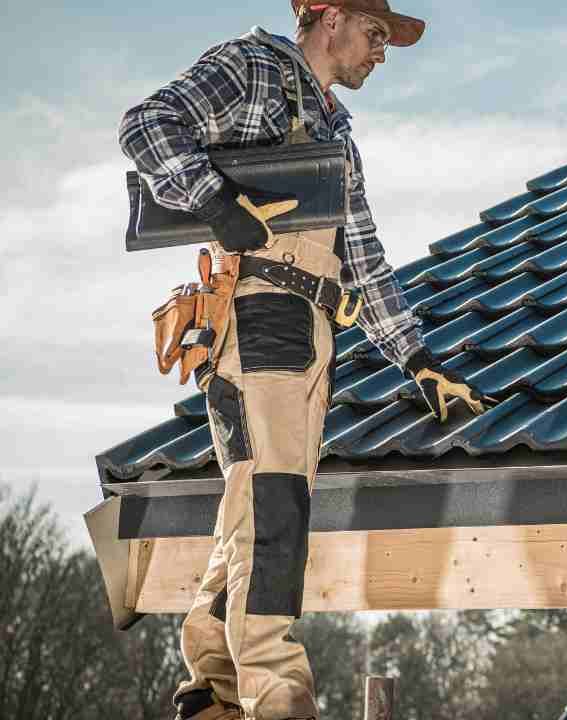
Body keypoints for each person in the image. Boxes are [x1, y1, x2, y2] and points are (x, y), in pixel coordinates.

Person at [118, 3, 488, 718]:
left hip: (314, 326)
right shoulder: (255, 68)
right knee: (275, 503)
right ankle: (278, 694)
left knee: (253, 507)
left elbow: (364, 255)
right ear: (327, 16)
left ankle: (216, 687)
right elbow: (147, 126)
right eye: (374, 33)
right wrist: (217, 204)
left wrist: (416, 359)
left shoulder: (335, 130)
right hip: (261, 315)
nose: (381, 52)